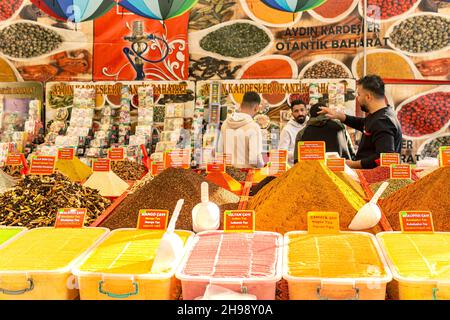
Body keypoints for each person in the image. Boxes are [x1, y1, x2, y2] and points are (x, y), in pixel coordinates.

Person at [318, 75, 402, 169]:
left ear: (368, 97)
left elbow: (384, 157)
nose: (357, 98)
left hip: (374, 180)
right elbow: (363, 124)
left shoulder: (383, 122)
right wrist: (339, 116)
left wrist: (351, 164)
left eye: (359, 94)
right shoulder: (379, 115)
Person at [217, 92, 264, 168]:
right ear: (256, 108)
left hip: (227, 174)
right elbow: (254, 159)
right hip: (246, 175)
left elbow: (219, 151)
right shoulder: (254, 127)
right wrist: (263, 166)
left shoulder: (225, 124)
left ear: (241, 105)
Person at [279, 100, 308, 165]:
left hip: (312, 166)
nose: (300, 113)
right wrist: (300, 153)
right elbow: (282, 152)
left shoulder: (312, 125)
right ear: (292, 113)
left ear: (306, 111)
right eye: (296, 111)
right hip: (294, 167)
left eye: (302, 110)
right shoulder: (287, 129)